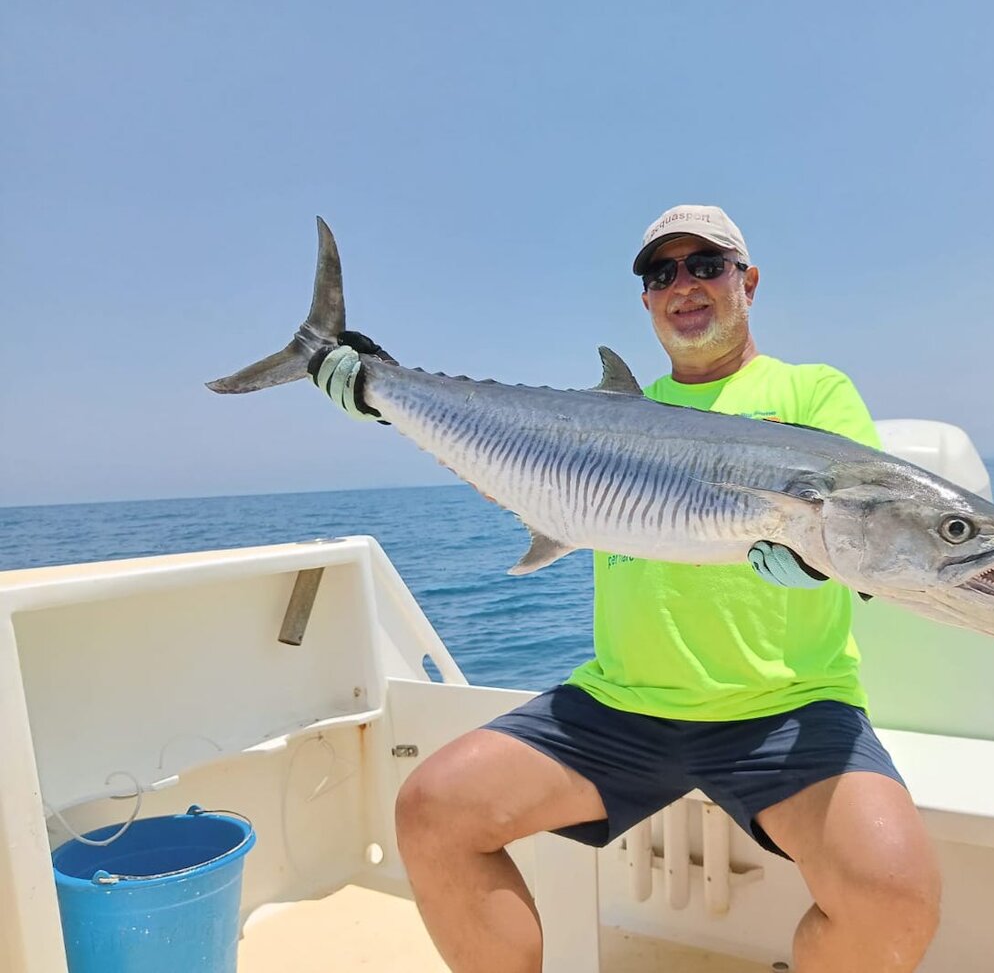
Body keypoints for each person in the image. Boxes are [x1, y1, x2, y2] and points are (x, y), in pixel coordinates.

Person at [309, 205, 941, 972]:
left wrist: (815, 559)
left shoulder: (812, 393)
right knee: (432, 809)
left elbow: (862, 522)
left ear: (748, 281)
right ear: (646, 299)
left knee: (893, 899)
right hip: (623, 706)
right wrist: (379, 389)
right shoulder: (605, 417)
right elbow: (505, 456)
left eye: (706, 264)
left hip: (787, 707)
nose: (684, 284)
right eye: (661, 272)